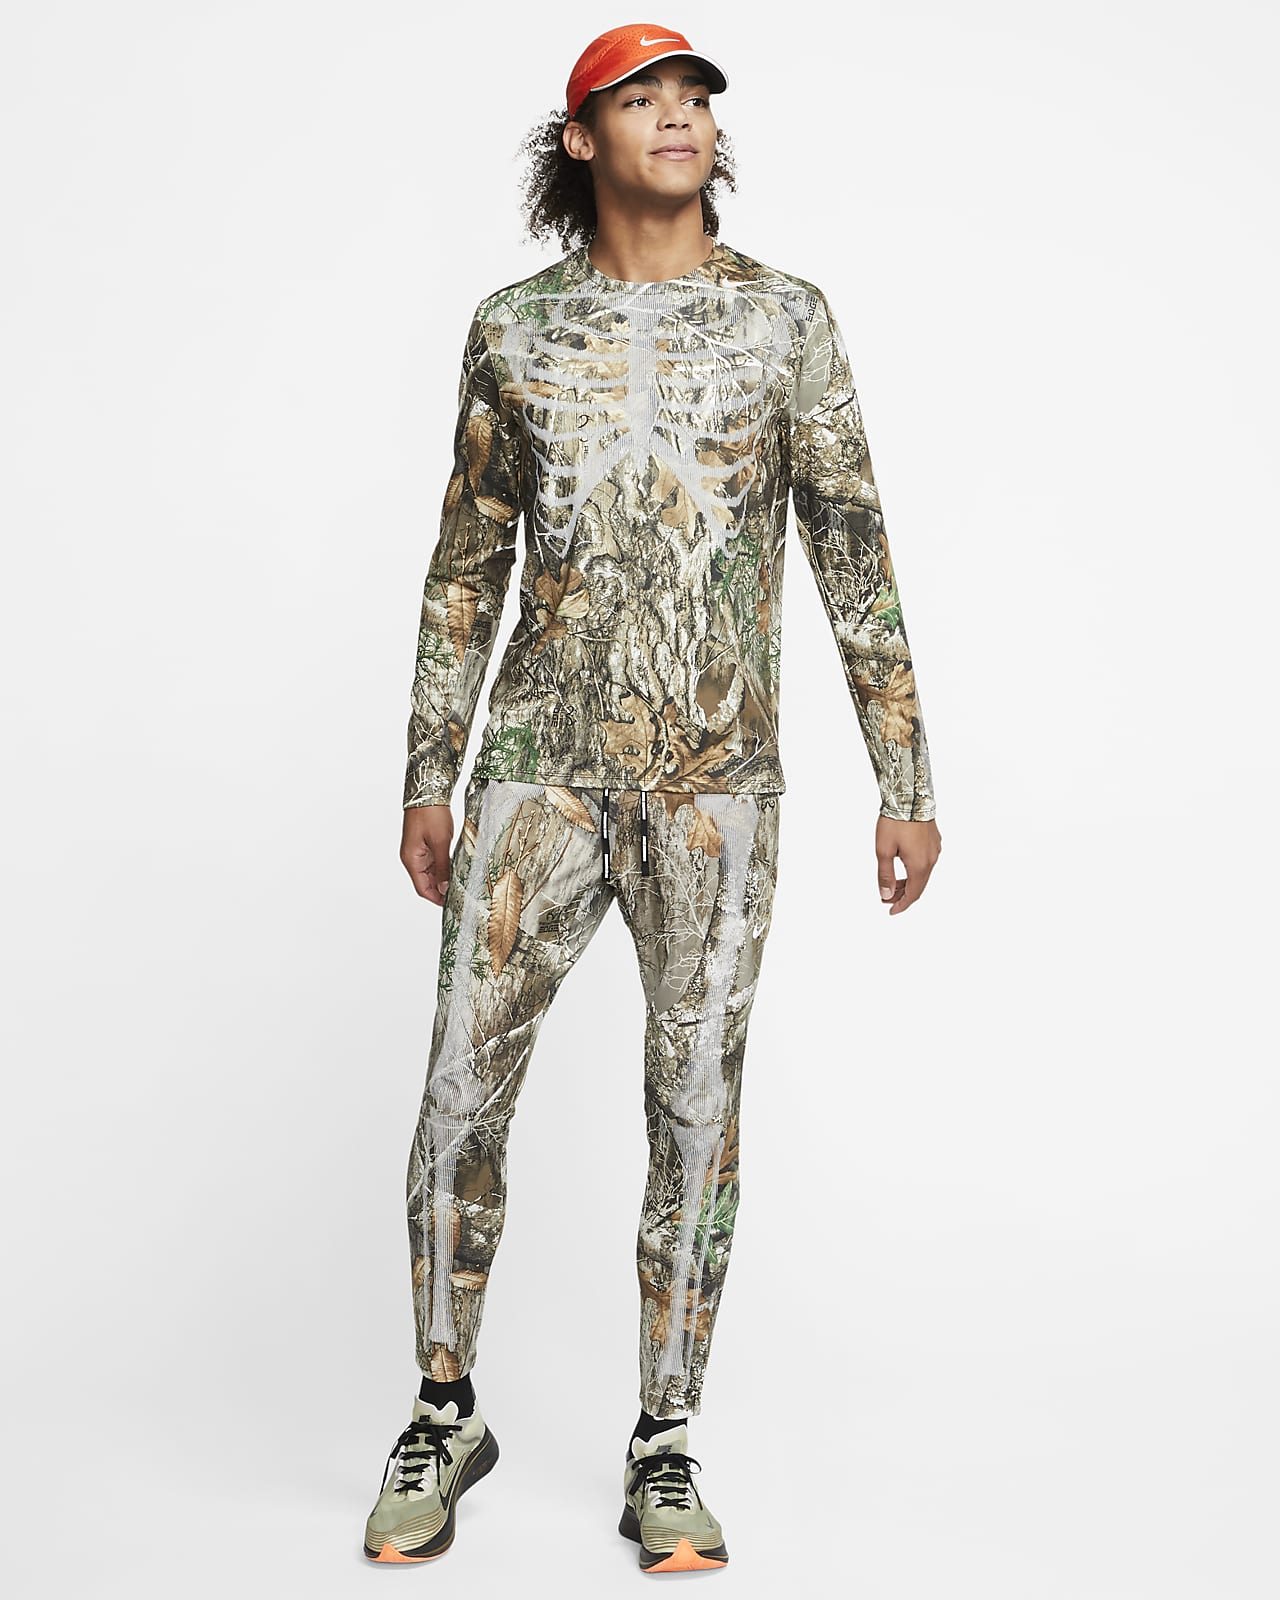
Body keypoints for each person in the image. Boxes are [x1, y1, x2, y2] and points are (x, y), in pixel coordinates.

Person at [363, 20, 943, 1573]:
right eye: (642, 99)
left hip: (716, 786)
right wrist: (429, 774)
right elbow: (464, 568)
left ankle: (664, 1443)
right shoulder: (512, 330)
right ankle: (443, 1408)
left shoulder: (785, 321)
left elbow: (855, 550)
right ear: (582, 140)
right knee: (455, 1100)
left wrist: (905, 777)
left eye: (695, 97)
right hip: (535, 775)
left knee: (695, 1114)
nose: (679, 117)